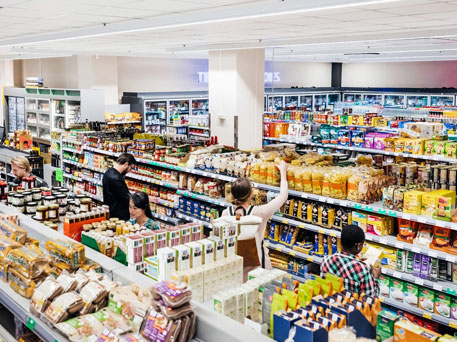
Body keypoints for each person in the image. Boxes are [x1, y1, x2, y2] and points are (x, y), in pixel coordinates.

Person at [222, 160, 288, 276]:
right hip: (258, 263)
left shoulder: (226, 214)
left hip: (235, 263)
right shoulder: (260, 212)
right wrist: (283, 172)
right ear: (251, 194)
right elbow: (283, 196)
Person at [321, 224, 380, 297]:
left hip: (330, 304)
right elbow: (371, 300)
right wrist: (376, 278)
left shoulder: (326, 260)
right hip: (352, 306)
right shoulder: (363, 270)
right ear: (358, 246)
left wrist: (357, 261)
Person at [102, 153, 136, 221]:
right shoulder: (116, 178)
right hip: (118, 216)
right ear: (126, 164)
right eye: (131, 167)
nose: (130, 171)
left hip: (110, 211)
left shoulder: (108, 172)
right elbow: (127, 197)